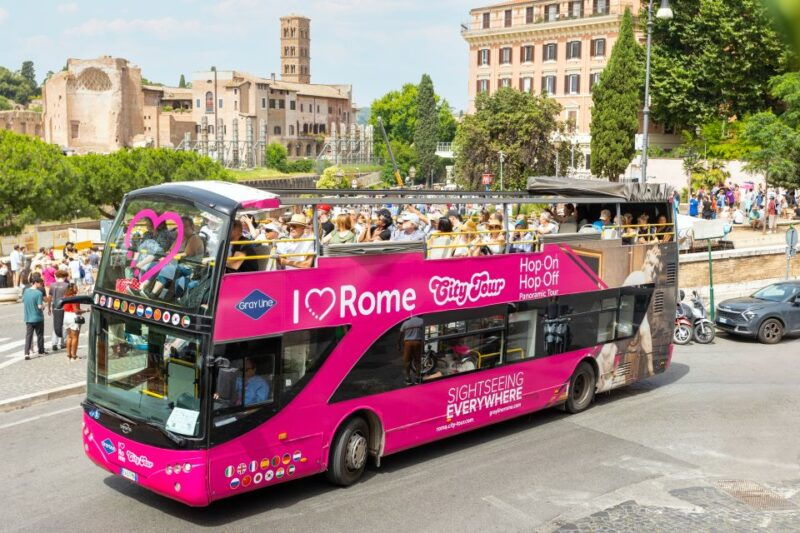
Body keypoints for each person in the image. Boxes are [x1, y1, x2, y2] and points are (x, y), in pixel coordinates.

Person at [23, 276, 47, 360]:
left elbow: (24, 302)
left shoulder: (26, 291)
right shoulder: (38, 293)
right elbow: (40, 306)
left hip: (28, 317)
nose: (41, 285)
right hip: (38, 317)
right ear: (36, 282)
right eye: (40, 283)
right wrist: (45, 305)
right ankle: (41, 351)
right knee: (40, 335)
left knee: (28, 336)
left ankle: (26, 353)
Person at [62, 283, 86, 362]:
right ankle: (74, 356)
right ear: (72, 289)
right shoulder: (74, 298)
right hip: (73, 317)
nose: (77, 289)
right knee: (75, 337)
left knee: (69, 336)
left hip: (66, 316)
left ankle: (68, 355)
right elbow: (76, 310)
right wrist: (86, 310)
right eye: (76, 288)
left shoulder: (65, 297)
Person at [48, 269, 69, 352]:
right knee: (64, 325)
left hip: (55, 306)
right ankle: (63, 343)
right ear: (64, 276)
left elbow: (50, 297)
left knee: (56, 324)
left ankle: (54, 343)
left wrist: (49, 307)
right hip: (64, 307)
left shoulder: (52, 285)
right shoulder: (67, 285)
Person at [399, 316, 424, 384]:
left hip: (408, 343)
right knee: (417, 361)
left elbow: (400, 335)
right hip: (417, 342)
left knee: (407, 361)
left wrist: (398, 345)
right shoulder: (421, 321)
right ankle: (417, 378)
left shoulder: (405, 323)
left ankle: (408, 379)